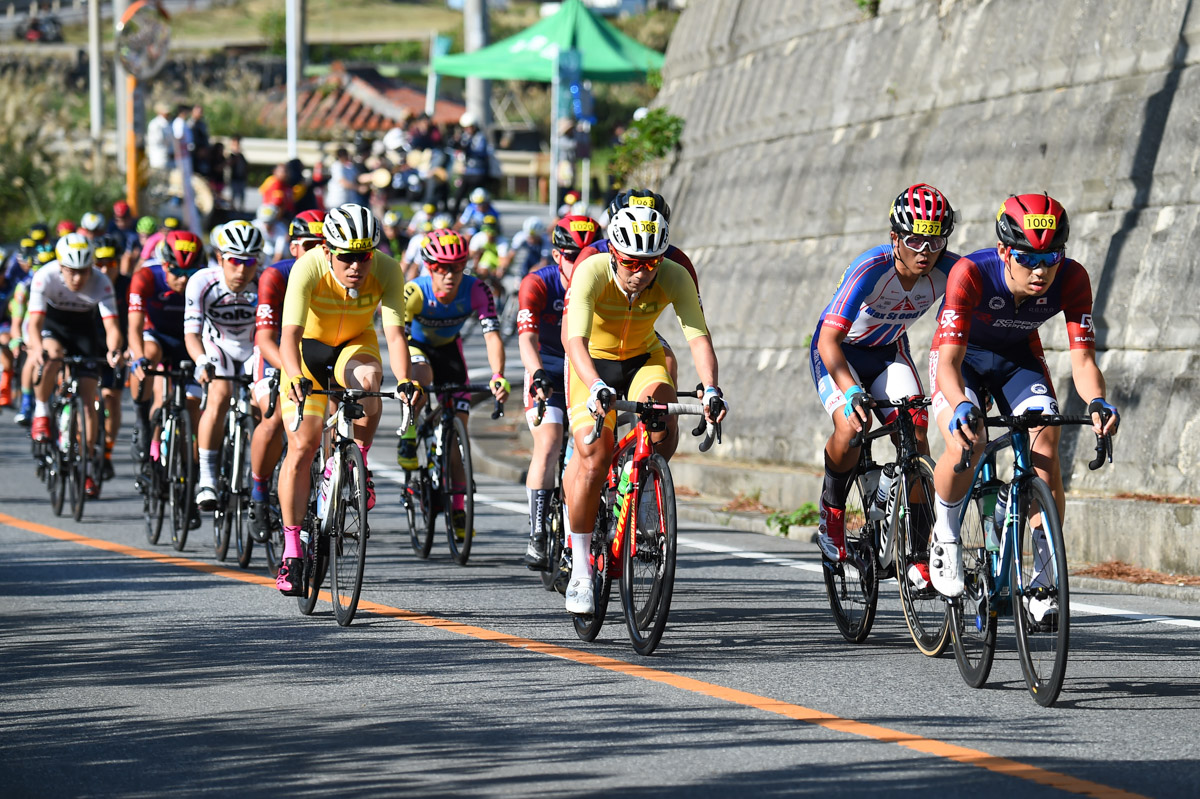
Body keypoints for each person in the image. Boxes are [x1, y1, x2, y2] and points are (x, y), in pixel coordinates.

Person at [926, 192, 1120, 620]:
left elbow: (1084, 360)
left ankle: (1043, 582)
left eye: (1051, 257)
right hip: (961, 359)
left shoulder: (1072, 279)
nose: (1041, 270)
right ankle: (946, 535)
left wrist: (1097, 401)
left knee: (1046, 443)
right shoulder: (970, 273)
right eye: (1027, 258)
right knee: (967, 442)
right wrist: (960, 404)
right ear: (1002, 251)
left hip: (1018, 358)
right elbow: (949, 365)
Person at [561, 206, 727, 615]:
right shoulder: (592, 271)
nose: (641, 271)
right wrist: (596, 385)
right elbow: (574, 339)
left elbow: (698, 337)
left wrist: (712, 390)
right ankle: (581, 567)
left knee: (662, 413)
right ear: (614, 253)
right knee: (595, 457)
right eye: (631, 262)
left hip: (642, 358)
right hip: (590, 364)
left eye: (650, 262)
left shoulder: (674, 276)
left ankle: (645, 490)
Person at [809, 183, 959, 570]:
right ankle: (832, 513)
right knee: (851, 426)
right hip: (840, 351)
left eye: (936, 242)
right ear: (895, 237)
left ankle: (922, 555)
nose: (925, 253)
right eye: (914, 241)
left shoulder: (951, 270)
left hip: (888, 352)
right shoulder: (871, 269)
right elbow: (828, 340)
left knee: (918, 435)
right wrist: (853, 391)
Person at [275, 203, 417, 596]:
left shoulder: (387, 269)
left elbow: (394, 335)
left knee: (372, 380)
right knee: (302, 446)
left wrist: (406, 380)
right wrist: (295, 377)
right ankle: (291, 551)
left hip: (354, 345)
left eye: (364, 256)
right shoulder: (308, 266)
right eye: (347, 257)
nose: (357, 265)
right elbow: (287, 337)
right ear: (327, 250)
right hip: (309, 350)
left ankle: (360, 462)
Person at [396, 228, 509, 541]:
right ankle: (408, 430)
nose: (449, 275)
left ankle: (458, 508)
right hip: (417, 347)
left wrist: (498, 374)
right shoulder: (414, 291)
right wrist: (406, 381)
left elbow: (492, 336)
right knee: (422, 377)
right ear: (430, 266)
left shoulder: (476, 290)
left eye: (457, 267)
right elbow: (399, 340)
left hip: (449, 350)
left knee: (457, 433)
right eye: (442, 268)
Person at [516, 214, 600, 568]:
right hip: (548, 367)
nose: (579, 264)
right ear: (555, 255)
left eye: (587, 256)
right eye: (571, 257)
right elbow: (527, 339)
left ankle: (577, 533)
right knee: (549, 442)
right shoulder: (538, 282)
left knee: (588, 453)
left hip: (584, 370)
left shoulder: (602, 281)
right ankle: (537, 532)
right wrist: (536, 375)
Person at [27, 234, 124, 497]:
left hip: (84, 331)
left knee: (88, 395)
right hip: (53, 327)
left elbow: (112, 327)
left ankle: (87, 463)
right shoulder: (44, 276)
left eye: (83, 272)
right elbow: (34, 324)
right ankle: (42, 412)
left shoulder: (101, 281)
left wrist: (115, 350)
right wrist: (36, 349)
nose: (78, 279)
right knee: (52, 356)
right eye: (72, 272)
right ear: (60, 267)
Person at [249, 209, 325, 541]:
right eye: (310, 244)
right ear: (293, 247)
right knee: (277, 414)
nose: (318, 252)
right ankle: (259, 493)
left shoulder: (332, 274)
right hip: (277, 354)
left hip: (316, 355)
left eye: (325, 244)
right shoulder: (275, 275)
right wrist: (291, 372)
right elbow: (265, 338)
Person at [185, 220, 263, 512]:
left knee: (263, 407)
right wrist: (201, 361)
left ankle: (261, 481)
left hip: (254, 347)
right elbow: (191, 333)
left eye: (250, 262)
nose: (242, 270)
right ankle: (207, 478)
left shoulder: (264, 282)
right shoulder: (202, 281)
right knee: (218, 396)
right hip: (217, 347)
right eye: (234, 261)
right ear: (220, 259)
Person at [127, 230, 203, 477]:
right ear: (164, 264)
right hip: (156, 336)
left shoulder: (204, 279)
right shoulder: (146, 276)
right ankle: (142, 420)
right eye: (177, 273)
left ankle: (192, 472)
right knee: (148, 358)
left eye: (189, 274)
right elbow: (134, 327)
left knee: (192, 407)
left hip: (190, 340)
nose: (183, 280)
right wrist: (138, 358)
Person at [92, 234, 132, 480]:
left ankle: (106, 452)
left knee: (111, 398)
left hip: (118, 348)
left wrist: (129, 350)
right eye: (100, 264)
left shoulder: (128, 286)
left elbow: (137, 323)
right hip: (89, 345)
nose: (105, 269)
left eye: (111, 263)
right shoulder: (88, 282)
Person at [451, 112, 492, 217]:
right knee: (458, 196)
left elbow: (480, 152)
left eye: (469, 127)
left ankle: (480, 217)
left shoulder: (480, 137)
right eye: (466, 128)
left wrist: (467, 149)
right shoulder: (465, 137)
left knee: (477, 196)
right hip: (467, 172)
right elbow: (455, 146)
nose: (467, 130)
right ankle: (453, 216)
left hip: (478, 172)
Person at [227, 135, 249, 211]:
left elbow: (245, 166)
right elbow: (229, 164)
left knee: (242, 194)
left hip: (241, 178)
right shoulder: (232, 156)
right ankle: (232, 208)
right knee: (234, 194)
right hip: (234, 178)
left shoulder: (241, 156)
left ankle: (241, 208)